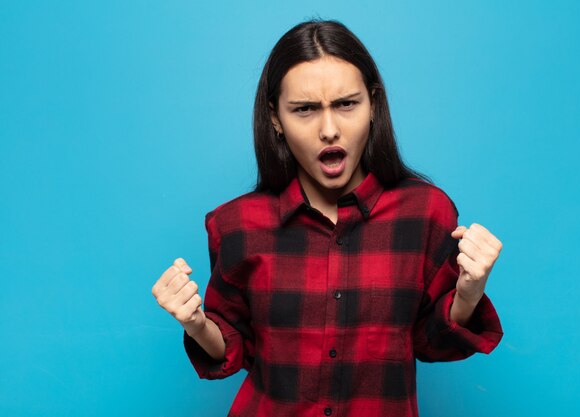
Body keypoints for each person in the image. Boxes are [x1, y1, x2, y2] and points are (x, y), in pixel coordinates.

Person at [152, 19, 503, 417]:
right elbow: (234, 348)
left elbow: (430, 342)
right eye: (304, 110)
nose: (329, 129)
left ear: (373, 105)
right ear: (275, 119)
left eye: (346, 104)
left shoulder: (426, 213)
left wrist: (469, 295)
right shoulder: (236, 225)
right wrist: (196, 323)